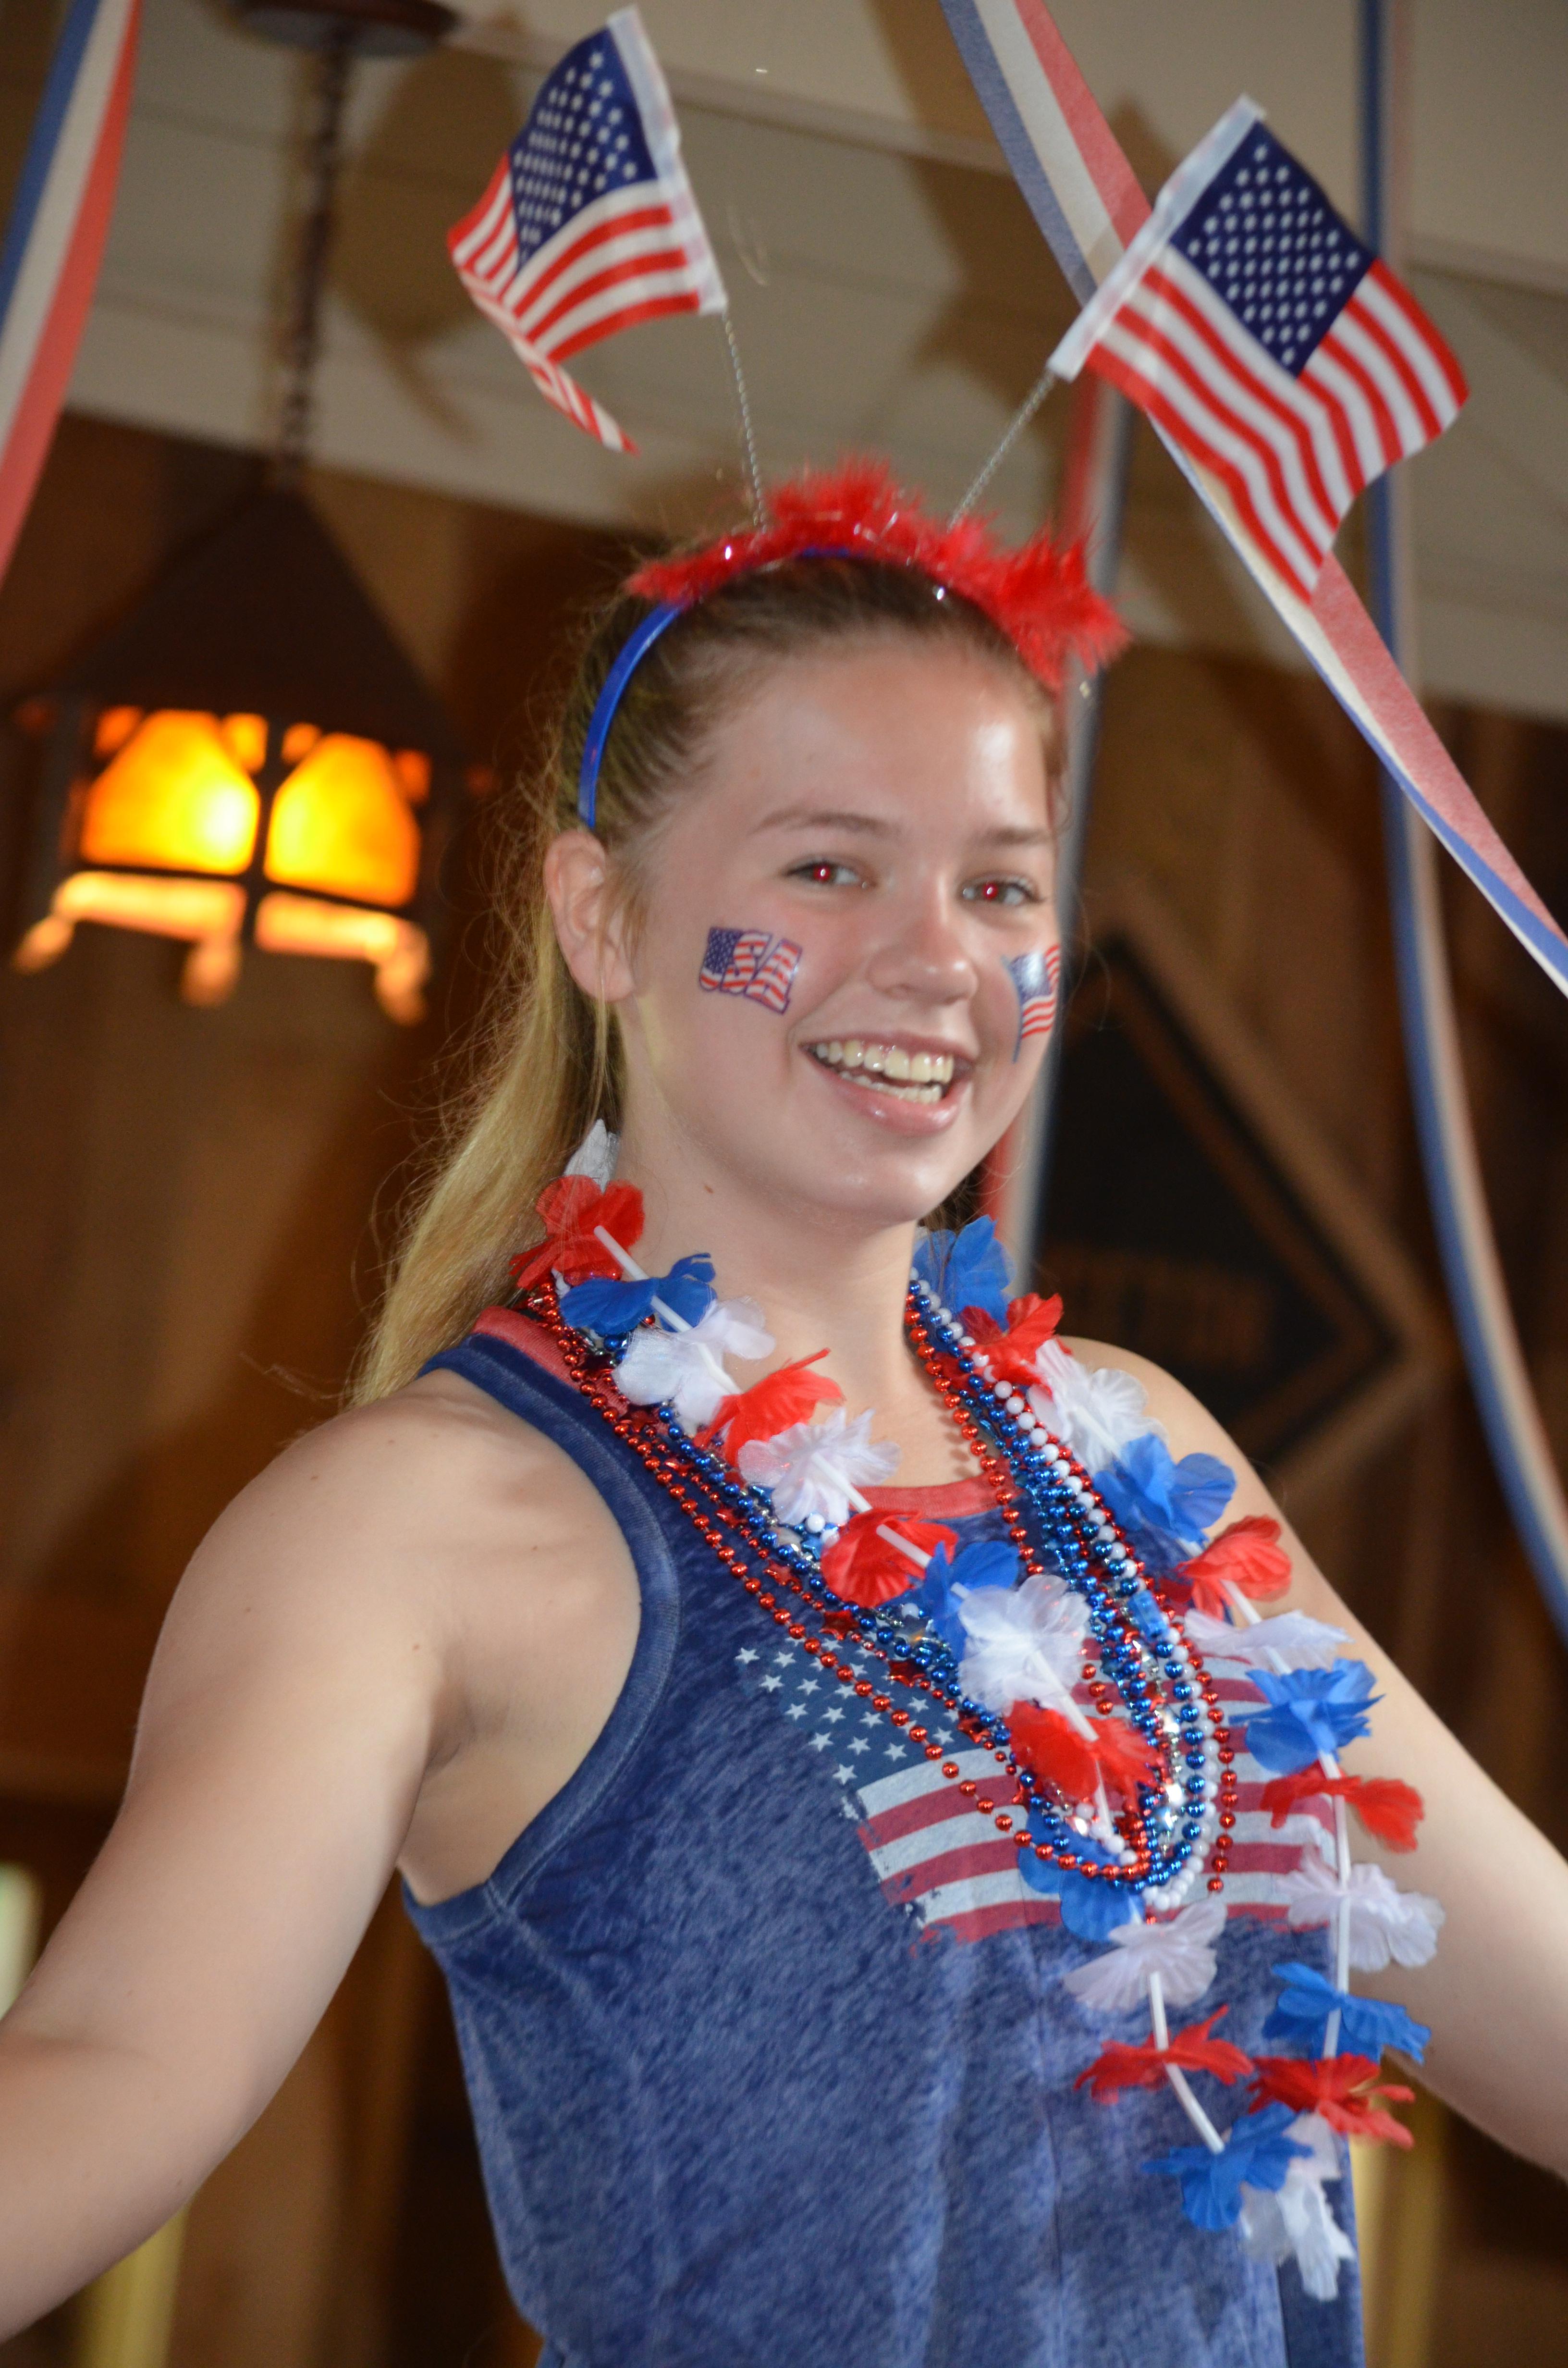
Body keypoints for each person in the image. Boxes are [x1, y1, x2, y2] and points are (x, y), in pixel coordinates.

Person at [1, 462, 1565, 2366]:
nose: (938, 959)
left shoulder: (1147, 1467)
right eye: (830, 867)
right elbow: (112, 2064)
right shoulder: (421, 1526)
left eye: (1000, 885)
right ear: (602, 914)